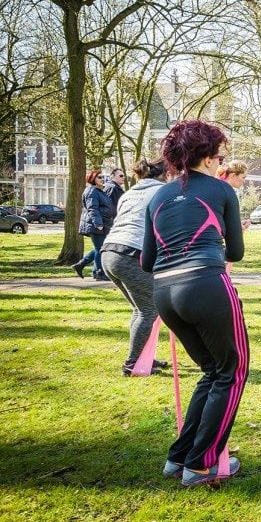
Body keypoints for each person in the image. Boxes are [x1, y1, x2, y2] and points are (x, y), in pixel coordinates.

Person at [141, 119, 247, 487]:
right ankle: (201, 465)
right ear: (207, 154)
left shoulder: (157, 196)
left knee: (212, 370)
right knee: (232, 370)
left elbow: (145, 260)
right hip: (205, 284)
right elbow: (236, 250)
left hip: (164, 293)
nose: (221, 159)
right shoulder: (221, 190)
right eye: (219, 152)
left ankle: (180, 457)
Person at [100, 158, 172, 376]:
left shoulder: (129, 193)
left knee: (140, 309)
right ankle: (132, 364)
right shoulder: (162, 192)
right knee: (150, 310)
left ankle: (143, 358)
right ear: (165, 175)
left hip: (109, 252)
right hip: (131, 253)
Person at [72, 170, 114, 281]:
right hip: (96, 225)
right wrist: (98, 223)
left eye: (103, 177)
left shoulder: (99, 191)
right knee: (100, 248)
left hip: (102, 224)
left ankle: (80, 265)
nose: (102, 179)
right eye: (99, 177)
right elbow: (92, 209)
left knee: (99, 248)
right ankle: (99, 272)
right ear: (92, 179)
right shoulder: (91, 191)